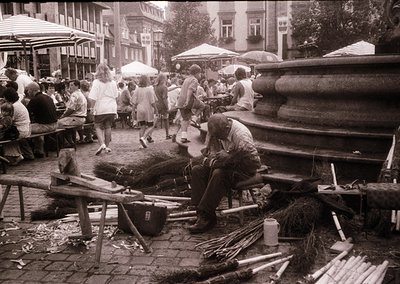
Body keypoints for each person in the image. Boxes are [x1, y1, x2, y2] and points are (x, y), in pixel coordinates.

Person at [188, 113, 261, 234]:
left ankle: (207, 217)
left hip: (246, 167)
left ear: (227, 128)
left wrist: (229, 156)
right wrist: (209, 149)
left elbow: (249, 160)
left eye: (220, 136)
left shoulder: (241, 135)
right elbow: (211, 135)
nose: (219, 139)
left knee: (218, 174)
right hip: (229, 164)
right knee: (198, 170)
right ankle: (199, 213)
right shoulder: (221, 126)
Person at [88, 63, 118, 155]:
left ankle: (102, 144)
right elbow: (116, 96)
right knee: (108, 126)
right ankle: (107, 146)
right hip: (111, 107)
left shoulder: (96, 82)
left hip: (101, 106)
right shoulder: (113, 82)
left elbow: (93, 97)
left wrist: (92, 108)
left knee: (97, 126)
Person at [25, 82, 58, 158]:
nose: (28, 93)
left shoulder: (35, 99)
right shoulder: (48, 97)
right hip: (55, 124)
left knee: (23, 130)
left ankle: (29, 152)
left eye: (29, 91)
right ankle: (39, 150)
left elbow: (27, 113)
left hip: (45, 126)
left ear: (32, 90)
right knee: (34, 126)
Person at [2, 87, 33, 165]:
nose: (4, 99)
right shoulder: (18, 104)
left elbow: (8, 122)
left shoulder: (13, 107)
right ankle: (22, 154)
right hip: (26, 129)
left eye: (4, 97)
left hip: (20, 131)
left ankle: (14, 156)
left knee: (4, 136)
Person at [176, 64, 202, 143]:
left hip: (180, 102)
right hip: (188, 102)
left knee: (185, 119)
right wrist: (187, 101)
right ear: (197, 73)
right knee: (202, 105)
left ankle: (183, 137)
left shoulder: (186, 79)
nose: (200, 75)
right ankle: (194, 119)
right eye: (200, 73)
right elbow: (190, 90)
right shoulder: (194, 80)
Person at [57, 80, 87, 146]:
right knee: (65, 123)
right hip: (81, 118)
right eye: (69, 85)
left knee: (58, 123)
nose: (70, 87)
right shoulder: (81, 94)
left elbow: (71, 109)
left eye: (72, 85)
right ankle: (71, 140)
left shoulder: (74, 95)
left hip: (77, 118)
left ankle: (66, 143)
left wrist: (63, 116)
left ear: (77, 86)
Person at [131, 74, 158, 148]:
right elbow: (153, 102)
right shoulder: (149, 89)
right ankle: (144, 137)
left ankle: (141, 143)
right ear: (147, 80)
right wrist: (156, 109)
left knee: (142, 126)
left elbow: (134, 101)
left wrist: (133, 111)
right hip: (148, 108)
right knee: (151, 125)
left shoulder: (137, 89)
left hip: (140, 108)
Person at [154, 73, 171, 140]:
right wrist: (167, 107)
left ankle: (150, 134)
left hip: (157, 105)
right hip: (163, 105)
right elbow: (164, 98)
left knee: (155, 120)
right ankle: (167, 134)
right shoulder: (164, 87)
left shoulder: (155, 87)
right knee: (166, 120)